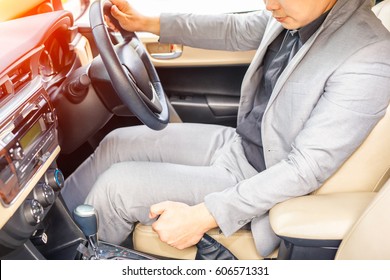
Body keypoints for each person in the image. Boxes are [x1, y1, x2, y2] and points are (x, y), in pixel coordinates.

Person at [61, 0, 390, 257]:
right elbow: (234, 27)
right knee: (115, 143)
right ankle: (47, 226)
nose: (269, 5)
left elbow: (304, 169)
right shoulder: (301, 16)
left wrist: (206, 214)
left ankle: (63, 260)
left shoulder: (368, 56)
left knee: (115, 189)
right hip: (239, 146)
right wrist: (147, 22)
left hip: (261, 179)